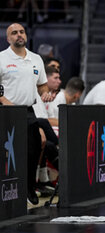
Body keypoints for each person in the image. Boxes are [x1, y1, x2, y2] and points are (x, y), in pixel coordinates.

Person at [0, 23, 54, 205]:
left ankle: (29, 188)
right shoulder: (2, 58)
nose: (19, 35)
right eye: (14, 33)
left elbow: (42, 85)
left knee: (33, 150)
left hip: (28, 110)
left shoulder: (36, 59)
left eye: (21, 32)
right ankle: (8, 189)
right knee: (10, 153)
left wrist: (44, 93)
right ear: (8, 39)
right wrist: (7, 103)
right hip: (6, 110)